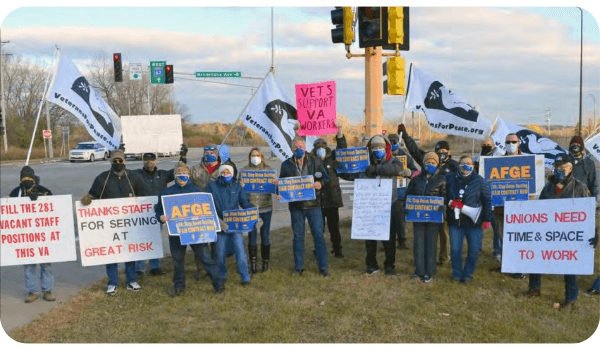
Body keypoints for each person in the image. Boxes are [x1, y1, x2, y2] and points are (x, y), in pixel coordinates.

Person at [525, 153, 590, 309]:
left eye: (562, 168)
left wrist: (592, 232)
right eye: (556, 168)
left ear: (570, 168)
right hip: (548, 232)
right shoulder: (548, 187)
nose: (559, 170)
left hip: (569, 235)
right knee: (537, 259)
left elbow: (589, 213)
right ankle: (534, 289)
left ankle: (571, 298)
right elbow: (539, 209)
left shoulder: (579, 188)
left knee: (569, 265)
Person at [80, 149, 146, 296]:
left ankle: (131, 280)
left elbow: (143, 197)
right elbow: (93, 195)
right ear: (111, 162)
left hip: (129, 222)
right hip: (110, 224)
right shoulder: (102, 178)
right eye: (115, 161)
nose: (117, 163)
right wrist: (87, 199)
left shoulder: (133, 177)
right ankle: (112, 282)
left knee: (130, 251)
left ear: (125, 161)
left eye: (120, 161)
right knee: (111, 253)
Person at [154, 161, 224, 296]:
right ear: (174, 175)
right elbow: (157, 211)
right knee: (178, 261)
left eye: (184, 173)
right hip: (176, 233)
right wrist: (160, 217)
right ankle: (179, 286)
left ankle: (218, 285)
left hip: (196, 231)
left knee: (205, 258)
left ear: (189, 174)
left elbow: (208, 210)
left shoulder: (197, 192)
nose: (182, 175)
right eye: (179, 173)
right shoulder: (166, 193)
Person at [338, 134, 402, 275]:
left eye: (380, 147)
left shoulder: (393, 161)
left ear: (385, 148)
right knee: (370, 238)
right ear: (370, 149)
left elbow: (397, 169)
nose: (377, 149)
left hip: (388, 206)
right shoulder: (363, 163)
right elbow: (349, 174)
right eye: (374, 147)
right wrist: (340, 167)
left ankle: (389, 265)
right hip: (369, 206)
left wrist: (377, 169)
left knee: (389, 239)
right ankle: (371, 265)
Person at [398, 123, 458, 266]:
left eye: (444, 151)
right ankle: (423, 257)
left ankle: (443, 257)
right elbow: (414, 150)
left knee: (443, 233)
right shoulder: (430, 161)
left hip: (444, 204)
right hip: (425, 203)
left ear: (449, 152)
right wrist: (405, 135)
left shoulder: (454, 166)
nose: (441, 154)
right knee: (425, 233)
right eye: (439, 151)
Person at [280, 136, 330, 276]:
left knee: (319, 236)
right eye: (296, 147)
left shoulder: (314, 161)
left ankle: (323, 267)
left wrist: (320, 184)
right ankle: (299, 267)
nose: (299, 149)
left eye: (301, 146)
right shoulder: (286, 165)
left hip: (313, 205)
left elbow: (325, 178)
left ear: (305, 147)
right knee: (298, 237)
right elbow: (282, 184)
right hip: (296, 207)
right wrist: (280, 192)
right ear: (292, 149)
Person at [9, 166, 56, 303]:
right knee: (29, 265)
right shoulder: (15, 193)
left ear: (34, 178)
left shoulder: (44, 191)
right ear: (20, 179)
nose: (27, 180)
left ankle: (47, 290)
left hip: (43, 235)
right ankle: (32, 291)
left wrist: (39, 199)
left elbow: (54, 209)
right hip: (25, 236)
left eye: (29, 177)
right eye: (24, 178)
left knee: (45, 264)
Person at [447, 156, 492, 283]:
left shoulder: (480, 181)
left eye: (468, 163)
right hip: (455, 222)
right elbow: (444, 194)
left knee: (474, 251)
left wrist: (486, 218)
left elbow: (487, 200)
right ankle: (457, 274)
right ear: (459, 165)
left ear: (473, 166)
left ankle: (467, 274)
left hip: (474, 223)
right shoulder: (451, 178)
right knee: (455, 250)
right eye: (463, 163)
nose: (466, 165)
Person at [207, 165, 254, 285]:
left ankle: (245, 277)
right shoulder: (212, 187)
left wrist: (254, 213)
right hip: (220, 225)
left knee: (240, 251)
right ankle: (222, 276)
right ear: (220, 173)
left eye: (228, 172)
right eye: (224, 171)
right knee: (219, 253)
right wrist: (218, 221)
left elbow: (244, 202)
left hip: (235, 225)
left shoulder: (237, 186)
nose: (226, 173)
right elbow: (208, 207)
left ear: (232, 173)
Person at [405, 152, 448, 283]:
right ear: (423, 164)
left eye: (433, 163)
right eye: (427, 162)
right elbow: (408, 196)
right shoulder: (416, 180)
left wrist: (442, 209)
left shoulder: (441, 180)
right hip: (417, 217)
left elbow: (445, 198)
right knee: (418, 244)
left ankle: (429, 272)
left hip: (433, 218)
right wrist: (406, 209)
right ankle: (419, 271)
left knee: (431, 244)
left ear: (437, 164)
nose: (430, 165)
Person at [490, 133, 526, 279]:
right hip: (500, 208)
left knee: (517, 238)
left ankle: (520, 269)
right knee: (502, 236)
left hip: (520, 210)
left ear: (518, 143)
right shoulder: (498, 162)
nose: (511, 144)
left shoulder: (526, 161)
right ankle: (506, 265)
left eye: (513, 141)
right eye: (508, 142)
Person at [133, 152, 174, 277]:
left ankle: (154, 266)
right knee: (141, 240)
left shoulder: (162, 174)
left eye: (151, 160)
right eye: (146, 160)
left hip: (158, 212)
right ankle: (139, 267)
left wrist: (183, 157)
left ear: (156, 161)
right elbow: (122, 175)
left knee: (155, 239)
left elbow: (178, 171)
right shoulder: (136, 174)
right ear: (143, 162)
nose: (149, 163)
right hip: (141, 213)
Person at [238, 148, 276, 273]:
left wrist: (276, 184)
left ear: (262, 156)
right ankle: (253, 263)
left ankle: (265, 262)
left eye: (257, 155)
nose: (255, 157)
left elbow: (276, 188)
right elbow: (239, 191)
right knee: (252, 235)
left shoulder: (268, 170)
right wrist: (241, 185)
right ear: (249, 157)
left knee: (265, 235)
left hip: (266, 207)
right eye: (253, 155)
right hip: (251, 208)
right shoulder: (244, 171)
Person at [312, 135, 345, 258]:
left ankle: (338, 250)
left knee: (334, 227)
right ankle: (319, 249)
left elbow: (342, 149)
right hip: (317, 200)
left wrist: (340, 134)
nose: (320, 150)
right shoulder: (311, 162)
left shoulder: (333, 160)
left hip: (332, 199)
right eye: (318, 148)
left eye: (323, 147)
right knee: (318, 228)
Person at [387, 133, 418, 250]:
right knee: (386, 219)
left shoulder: (406, 157)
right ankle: (387, 242)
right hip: (386, 191)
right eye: (389, 143)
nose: (392, 145)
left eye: (394, 142)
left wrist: (410, 172)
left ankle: (402, 241)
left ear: (398, 143)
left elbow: (415, 172)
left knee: (400, 218)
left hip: (400, 192)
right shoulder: (385, 157)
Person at [474, 138, 502, 260]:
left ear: (494, 145)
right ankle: (477, 249)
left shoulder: (500, 156)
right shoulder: (476, 158)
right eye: (484, 144)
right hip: (481, 195)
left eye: (488, 145)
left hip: (496, 196)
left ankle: (497, 250)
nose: (486, 146)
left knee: (497, 226)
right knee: (478, 225)